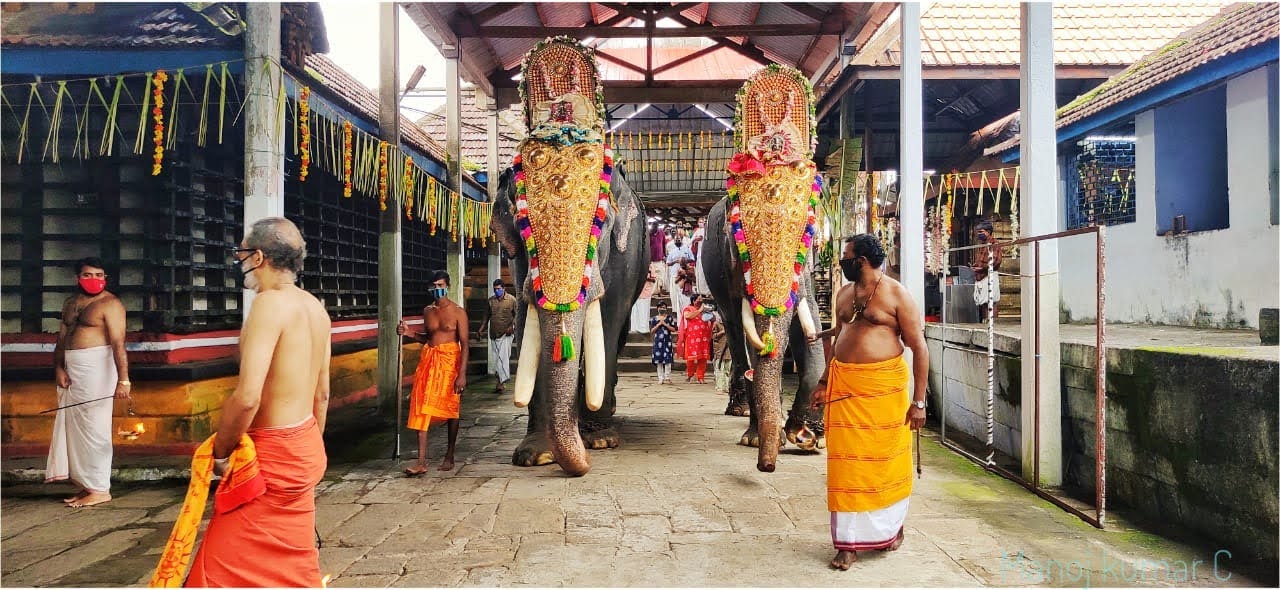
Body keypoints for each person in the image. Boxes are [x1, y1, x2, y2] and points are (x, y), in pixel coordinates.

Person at [181, 217, 332, 586]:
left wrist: (220, 450)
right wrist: (307, 446)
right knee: (292, 567)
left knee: (217, 572)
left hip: (272, 458)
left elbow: (248, 396)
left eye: (242, 253)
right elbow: (322, 394)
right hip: (304, 447)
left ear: (259, 256)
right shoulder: (315, 307)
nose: (241, 261)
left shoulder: (269, 305)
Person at [809, 234, 928, 571]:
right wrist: (822, 382)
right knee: (846, 465)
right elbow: (839, 334)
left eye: (845, 256)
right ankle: (847, 545)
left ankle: (890, 530)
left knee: (883, 462)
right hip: (846, 386)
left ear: (860, 260)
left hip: (883, 391)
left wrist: (918, 402)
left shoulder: (897, 295)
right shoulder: (844, 294)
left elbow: (919, 348)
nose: (841, 262)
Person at [46, 257, 130, 508]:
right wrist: (59, 367)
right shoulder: (71, 303)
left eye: (99, 275)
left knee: (95, 428)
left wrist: (124, 380)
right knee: (75, 429)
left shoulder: (111, 304)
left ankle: (101, 489)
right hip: (72, 369)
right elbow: (62, 339)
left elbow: (118, 344)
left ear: (106, 278)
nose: (94, 280)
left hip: (98, 369)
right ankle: (87, 485)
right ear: (78, 278)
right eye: (88, 275)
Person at [397, 270, 469, 475]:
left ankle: (450, 454)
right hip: (429, 362)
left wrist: (461, 374)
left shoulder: (458, 312)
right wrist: (409, 333)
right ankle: (421, 461)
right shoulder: (427, 311)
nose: (437, 290)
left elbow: (464, 344)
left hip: (450, 362)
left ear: (448, 286)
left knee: (450, 408)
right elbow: (428, 338)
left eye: (440, 286)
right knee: (423, 405)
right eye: (434, 286)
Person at [476, 279, 516, 394]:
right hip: (494, 334)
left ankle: (501, 382)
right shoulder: (491, 301)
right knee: (497, 359)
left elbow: (517, 316)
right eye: (495, 289)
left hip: (506, 334)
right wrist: (481, 329)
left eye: (499, 289)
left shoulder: (512, 300)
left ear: (504, 289)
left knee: (503, 358)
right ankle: (500, 382)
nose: (497, 291)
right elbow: (486, 316)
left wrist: (512, 326)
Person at [971, 220, 1003, 322]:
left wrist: (983, 267)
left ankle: (994, 324)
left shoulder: (994, 243)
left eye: (981, 232)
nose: (979, 234)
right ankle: (986, 321)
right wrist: (975, 266)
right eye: (978, 232)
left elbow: (996, 261)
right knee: (984, 301)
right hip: (982, 275)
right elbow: (980, 261)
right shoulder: (983, 244)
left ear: (988, 232)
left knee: (991, 301)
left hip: (990, 274)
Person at [680, 294, 712, 384]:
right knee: (691, 358)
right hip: (692, 337)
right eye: (699, 299)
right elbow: (688, 316)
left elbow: (711, 318)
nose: (701, 301)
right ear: (694, 300)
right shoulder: (688, 308)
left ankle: (701, 377)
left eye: (701, 299)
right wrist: (699, 310)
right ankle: (690, 375)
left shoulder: (705, 309)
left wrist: (709, 312)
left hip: (704, 337)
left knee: (703, 358)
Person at [665, 231, 693, 313]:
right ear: (674, 241)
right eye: (676, 240)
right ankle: (676, 310)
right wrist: (675, 261)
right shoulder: (672, 251)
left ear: (682, 240)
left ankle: (685, 309)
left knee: (684, 295)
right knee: (674, 295)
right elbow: (668, 263)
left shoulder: (686, 249)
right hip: (674, 274)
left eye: (679, 240)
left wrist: (684, 261)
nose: (677, 241)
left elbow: (692, 258)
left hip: (685, 274)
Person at [649, 303, 677, 384]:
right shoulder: (654, 319)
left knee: (668, 359)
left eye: (664, 307)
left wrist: (665, 324)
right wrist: (658, 324)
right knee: (659, 360)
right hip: (658, 341)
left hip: (667, 341)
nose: (662, 309)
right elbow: (651, 331)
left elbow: (673, 329)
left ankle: (667, 376)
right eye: (660, 307)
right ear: (657, 308)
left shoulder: (669, 318)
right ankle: (660, 377)